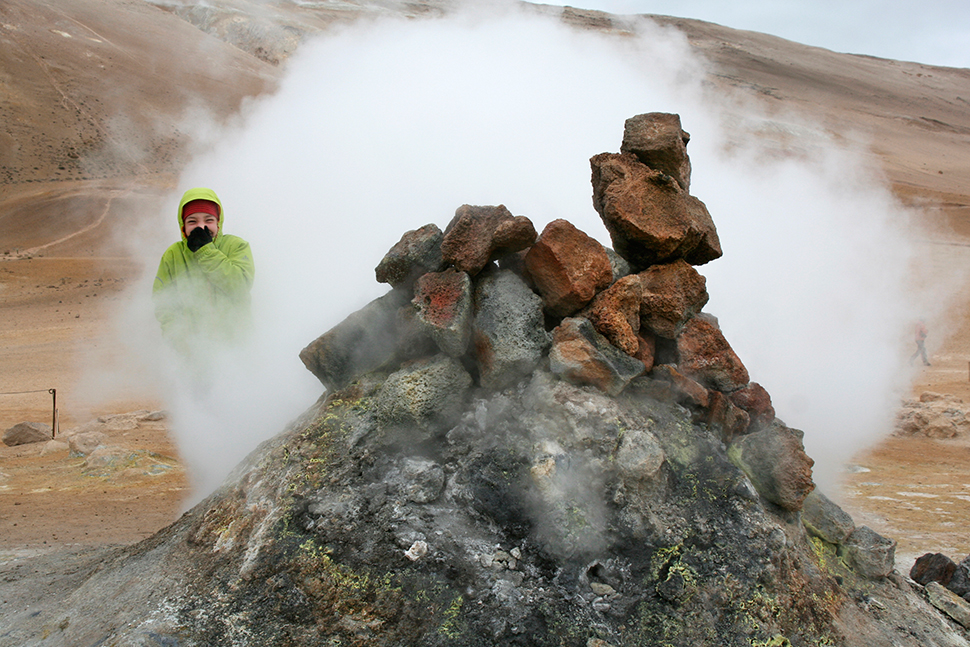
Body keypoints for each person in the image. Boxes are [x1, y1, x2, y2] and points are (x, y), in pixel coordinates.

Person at [152, 188, 255, 356]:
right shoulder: (172, 255)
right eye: (192, 221)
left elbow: (240, 287)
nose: (201, 227)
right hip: (193, 352)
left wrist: (205, 250)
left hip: (237, 348)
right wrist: (178, 340)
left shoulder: (236, 246)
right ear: (183, 226)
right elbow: (164, 303)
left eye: (209, 220)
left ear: (218, 223)